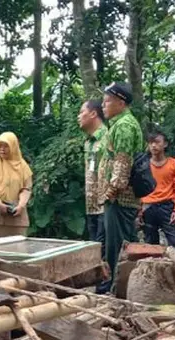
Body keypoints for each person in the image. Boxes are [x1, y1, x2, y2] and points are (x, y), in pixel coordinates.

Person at [98, 82, 144, 294]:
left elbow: (122, 164)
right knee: (118, 243)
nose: (103, 105)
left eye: (107, 101)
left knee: (119, 245)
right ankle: (120, 286)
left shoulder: (124, 126)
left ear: (121, 102)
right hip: (117, 197)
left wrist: (110, 192)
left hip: (119, 198)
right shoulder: (119, 124)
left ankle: (120, 288)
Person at [0, 132, 33, 239]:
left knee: (16, 249)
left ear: (13, 146)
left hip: (16, 215)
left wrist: (21, 205)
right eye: (0, 146)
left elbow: (26, 188)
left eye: (6, 146)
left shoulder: (23, 167)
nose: (2, 149)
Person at [139, 130, 175, 248]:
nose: (153, 145)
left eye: (157, 142)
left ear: (165, 144)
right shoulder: (143, 165)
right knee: (150, 245)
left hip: (167, 206)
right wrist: (138, 211)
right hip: (148, 207)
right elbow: (138, 188)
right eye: (150, 143)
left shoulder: (174, 164)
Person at [77, 99, 108, 256]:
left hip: (105, 204)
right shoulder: (88, 142)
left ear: (94, 113)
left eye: (82, 112)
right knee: (93, 249)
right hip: (91, 205)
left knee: (104, 249)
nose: (78, 116)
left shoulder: (107, 137)